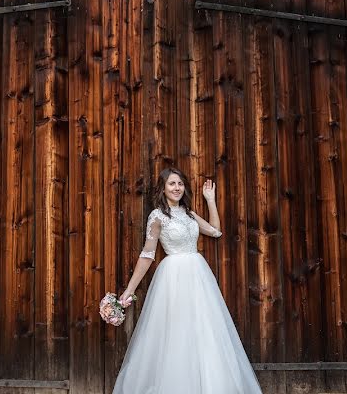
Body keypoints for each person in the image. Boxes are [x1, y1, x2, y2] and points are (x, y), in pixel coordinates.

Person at [112, 167, 263, 394]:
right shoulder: (157, 216)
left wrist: (210, 200)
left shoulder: (189, 213)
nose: (177, 188)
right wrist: (128, 291)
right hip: (172, 278)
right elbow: (147, 255)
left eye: (180, 184)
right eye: (172, 184)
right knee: (176, 331)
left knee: (204, 329)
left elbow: (215, 231)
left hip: (198, 276)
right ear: (163, 188)